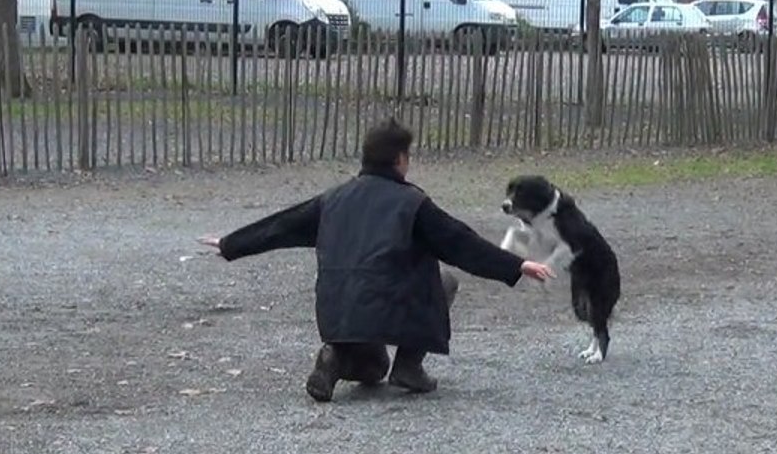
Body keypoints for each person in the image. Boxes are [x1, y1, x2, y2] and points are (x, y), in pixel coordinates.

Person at [196, 118, 555, 402]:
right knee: (445, 282)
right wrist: (515, 265)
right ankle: (409, 366)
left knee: (371, 368)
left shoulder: (332, 199)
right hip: (390, 309)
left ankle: (334, 357)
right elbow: (460, 242)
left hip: (339, 311)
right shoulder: (413, 203)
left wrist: (231, 244)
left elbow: (281, 226)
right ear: (400, 159)